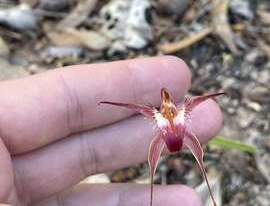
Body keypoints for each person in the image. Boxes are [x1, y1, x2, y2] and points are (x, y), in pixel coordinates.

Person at [0, 56, 222, 205]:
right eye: (165, 106)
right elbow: (133, 106)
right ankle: (156, 196)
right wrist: (112, 104)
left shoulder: (170, 112)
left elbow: (196, 102)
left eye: (168, 106)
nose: (167, 107)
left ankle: (210, 197)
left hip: (171, 132)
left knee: (198, 159)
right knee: (153, 165)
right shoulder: (155, 113)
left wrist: (213, 96)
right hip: (169, 132)